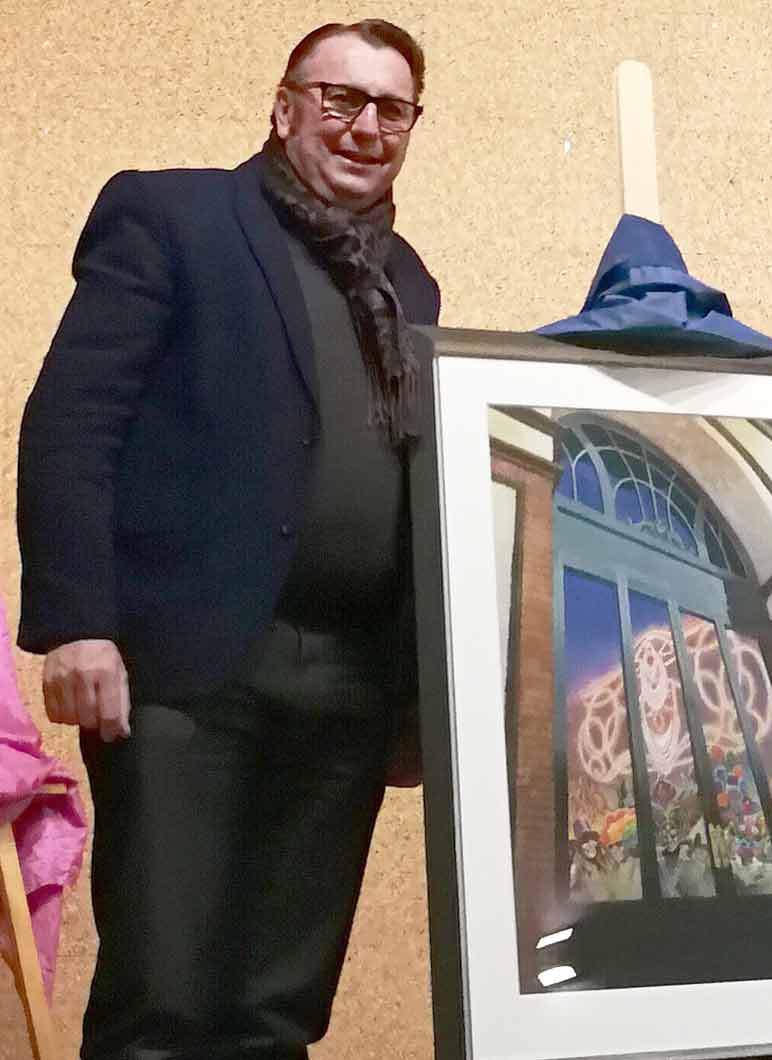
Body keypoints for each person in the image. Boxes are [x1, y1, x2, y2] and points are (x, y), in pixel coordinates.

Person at [17, 19, 440, 1059]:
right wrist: (75, 623)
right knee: (161, 1001)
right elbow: (73, 421)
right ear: (284, 107)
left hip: (348, 687)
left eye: (392, 109)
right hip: (186, 673)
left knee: (279, 1015)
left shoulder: (410, 282)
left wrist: (415, 699)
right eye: (341, 98)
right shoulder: (175, 215)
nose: (366, 126)